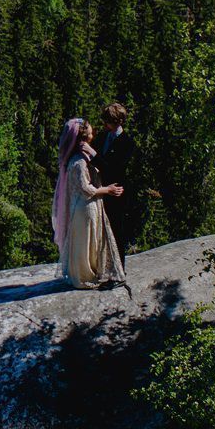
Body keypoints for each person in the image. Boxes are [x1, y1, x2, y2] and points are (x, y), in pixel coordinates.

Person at [52, 117, 125, 288]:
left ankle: (89, 271)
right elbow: (86, 189)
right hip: (86, 206)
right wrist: (108, 190)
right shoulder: (78, 161)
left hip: (87, 205)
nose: (94, 135)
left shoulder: (80, 156)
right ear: (83, 138)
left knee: (88, 241)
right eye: (91, 133)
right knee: (87, 241)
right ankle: (85, 275)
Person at [93, 100, 142, 260]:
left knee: (116, 232)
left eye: (110, 121)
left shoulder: (127, 142)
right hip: (101, 189)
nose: (106, 124)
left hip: (117, 193)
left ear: (119, 121)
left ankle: (119, 270)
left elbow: (115, 168)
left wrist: (94, 156)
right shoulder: (102, 137)